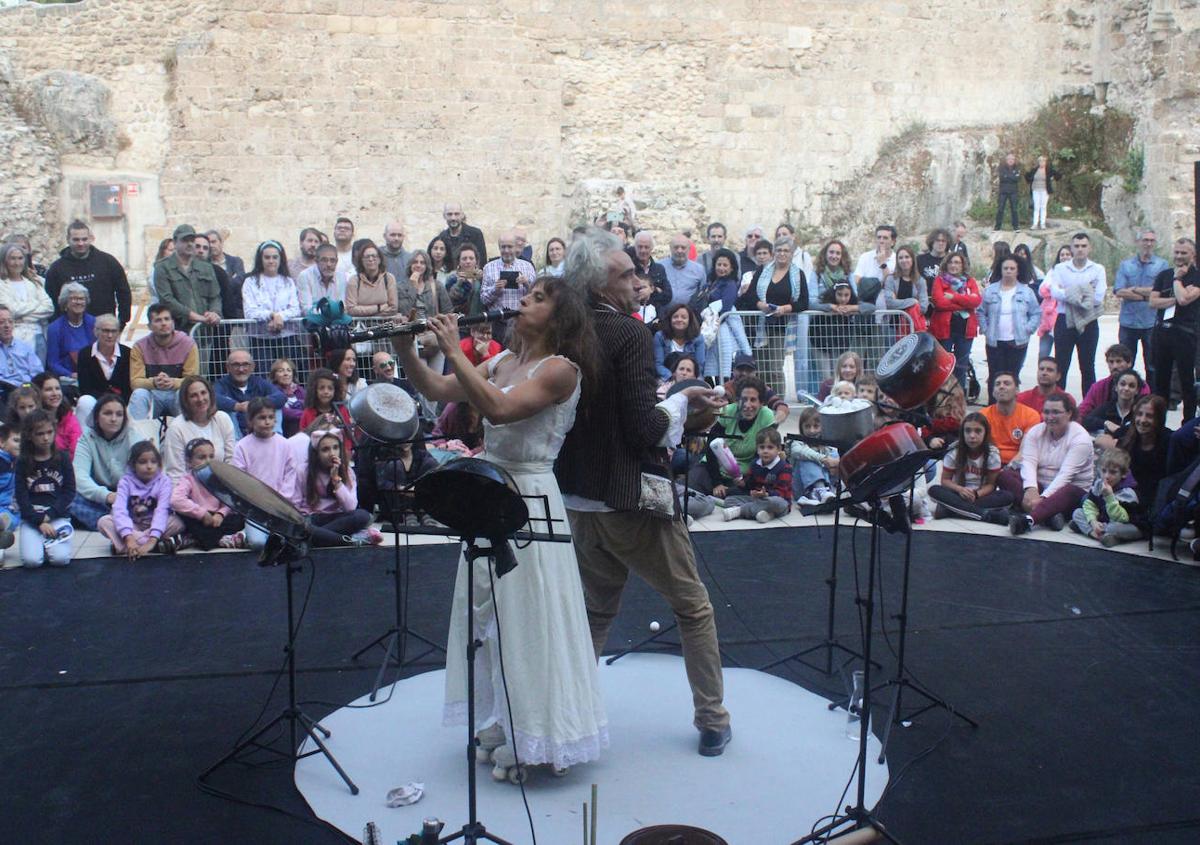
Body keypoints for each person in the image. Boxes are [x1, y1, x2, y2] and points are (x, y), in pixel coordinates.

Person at [393, 273, 608, 778]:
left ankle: (538, 734)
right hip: (489, 492)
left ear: (559, 317)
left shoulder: (561, 370)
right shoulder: (502, 361)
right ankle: (499, 720)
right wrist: (408, 351)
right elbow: (438, 387)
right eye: (527, 295)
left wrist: (454, 347)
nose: (523, 303)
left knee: (529, 618)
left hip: (530, 496)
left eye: (536, 299)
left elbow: (499, 408)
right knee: (485, 614)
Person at [554, 229, 731, 756]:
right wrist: (681, 404)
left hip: (578, 498)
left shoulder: (562, 329)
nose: (639, 281)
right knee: (693, 606)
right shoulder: (629, 334)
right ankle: (713, 717)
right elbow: (643, 431)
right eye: (626, 274)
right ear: (600, 284)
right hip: (628, 498)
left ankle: (567, 717)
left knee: (596, 612)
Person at [999, 392, 1093, 534]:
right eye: (1046, 412)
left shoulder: (1081, 439)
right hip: (1040, 487)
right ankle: (1050, 516)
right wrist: (1031, 489)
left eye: (1056, 412)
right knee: (1004, 476)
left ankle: (1028, 520)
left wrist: (1042, 498)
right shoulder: (1035, 432)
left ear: (1069, 413)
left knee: (1070, 490)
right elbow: (1029, 463)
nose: (1050, 417)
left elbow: (1065, 476)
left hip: (1068, 492)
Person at [69, 394, 145, 531]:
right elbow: (79, 477)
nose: (114, 419)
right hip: (100, 496)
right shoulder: (87, 438)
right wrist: (107, 496)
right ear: (97, 417)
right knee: (69, 496)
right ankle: (118, 522)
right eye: (108, 413)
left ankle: (109, 523)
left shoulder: (134, 437)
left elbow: (143, 477)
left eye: (119, 414)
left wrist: (122, 496)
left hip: (128, 495)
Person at [231, 398, 299, 552]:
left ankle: (247, 534)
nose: (267, 422)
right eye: (262, 418)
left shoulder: (284, 445)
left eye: (270, 417)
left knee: (289, 541)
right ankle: (246, 533)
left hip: (281, 507)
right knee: (258, 543)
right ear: (250, 420)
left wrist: (280, 501)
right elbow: (239, 479)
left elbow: (290, 475)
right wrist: (258, 502)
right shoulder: (242, 446)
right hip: (255, 509)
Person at [96, 441, 187, 556]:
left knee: (178, 522)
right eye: (143, 462)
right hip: (133, 525)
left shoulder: (164, 481)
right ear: (133, 465)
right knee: (104, 521)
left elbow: (162, 511)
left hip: (156, 525)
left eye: (153, 462)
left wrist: (152, 540)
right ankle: (154, 547)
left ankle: (124, 547)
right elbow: (119, 510)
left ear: (159, 464)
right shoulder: (125, 482)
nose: (149, 466)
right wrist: (128, 537)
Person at [291, 427, 378, 546]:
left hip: (337, 518)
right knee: (302, 527)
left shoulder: (347, 471)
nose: (332, 453)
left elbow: (351, 507)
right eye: (325, 449)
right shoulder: (303, 471)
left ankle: (314, 538)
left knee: (363, 516)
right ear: (316, 453)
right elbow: (295, 504)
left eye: (335, 448)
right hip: (312, 518)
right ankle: (350, 541)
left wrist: (336, 480)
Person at [42, 219, 132, 328]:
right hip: (71, 329)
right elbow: (51, 299)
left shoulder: (108, 262)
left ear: (90, 238)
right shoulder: (57, 268)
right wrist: (57, 325)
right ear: (68, 239)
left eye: (84, 239)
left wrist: (122, 320)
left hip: (104, 327)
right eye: (76, 240)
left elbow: (123, 292)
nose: (81, 243)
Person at [694, 376, 775, 495]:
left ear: (761, 403)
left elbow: (762, 457)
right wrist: (717, 483)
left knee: (753, 490)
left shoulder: (766, 416)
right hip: (714, 467)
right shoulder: (727, 411)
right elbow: (711, 450)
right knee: (693, 487)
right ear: (737, 400)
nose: (748, 405)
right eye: (744, 399)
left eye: (753, 400)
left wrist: (745, 480)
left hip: (744, 474)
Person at [14, 409, 75, 567]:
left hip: (57, 516)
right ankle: (37, 541)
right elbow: (21, 496)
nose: (46, 437)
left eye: (49, 432)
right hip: (32, 518)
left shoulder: (63, 458)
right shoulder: (23, 461)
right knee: (32, 561)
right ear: (29, 435)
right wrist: (39, 521)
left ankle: (46, 544)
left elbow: (69, 491)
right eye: (40, 434)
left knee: (61, 560)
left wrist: (50, 515)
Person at [750, 236, 809, 396]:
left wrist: (785, 309)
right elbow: (750, 295)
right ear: (774, 252)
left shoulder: (798, 274)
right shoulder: (762, 271)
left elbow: (804, 302)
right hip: (761, 326)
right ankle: (761, 404)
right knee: (762, 369)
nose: (782, 254)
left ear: (791, 254)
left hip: (781, 326)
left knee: (775, 369)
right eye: (779, 250)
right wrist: (760, 305)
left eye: (786, 251)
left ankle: (778, 403)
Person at [1049, 232, 1106, 395]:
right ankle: (1057, 404)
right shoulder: (1060, 268)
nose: (1080, 249)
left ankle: (1089, 407)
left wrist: (1069, 292)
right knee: (1061, 364)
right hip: (1064, 319)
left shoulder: (1097, 269)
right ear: (1071, 248)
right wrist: (1085, 291)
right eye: (1077, 246)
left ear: (1090, 248)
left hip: (1088, 320)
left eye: (1083, 246)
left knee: (1088, 365)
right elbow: (1055, 292)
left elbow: (1098, 298)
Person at [1149, 238, 1200, 422]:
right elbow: (1153, 302)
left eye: (1183, 253)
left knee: (1187, 381)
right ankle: (1158, 424)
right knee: (1160, 381)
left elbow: (1185, 300)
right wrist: (1175, 299)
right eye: (1177, 252)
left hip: (1184, 333)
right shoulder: (1164, 275)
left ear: (1192, 254)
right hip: (1162, 332)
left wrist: (1178, 279)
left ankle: (1188, 423)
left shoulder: (1196, 276)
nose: (1179, 256)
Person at [928, 412, 1013, 521]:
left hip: (980, 496)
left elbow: (991, 485)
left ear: (985, 433)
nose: (972, 436)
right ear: (962, 433)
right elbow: (945, 481)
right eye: (968, 431)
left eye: (978, 431)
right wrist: (960, 490)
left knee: (1007, 496)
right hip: (958, 494)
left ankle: (952, 510)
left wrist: (976, 494)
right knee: (934, 490)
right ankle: (986, 515)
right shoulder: (954, 451)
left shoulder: (992, 453)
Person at [978, 256, 1041, 403]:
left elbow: (1036, 313)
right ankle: (992, 408)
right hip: (995, 341)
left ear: (1017, 271)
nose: (1008, 271)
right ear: (1001, 270)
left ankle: (1011, 408)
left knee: (1013, 376)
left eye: (1012, 269)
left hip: (1018, 341)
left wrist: (1029, 329)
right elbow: (981, 311)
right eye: (1005, 268)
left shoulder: (1026, 292)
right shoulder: (990, 290)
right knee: (995, 376)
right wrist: (985, 329)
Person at [169, 438, 246, 550]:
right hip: (199, 518)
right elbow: (175, 500)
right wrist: (202, 514)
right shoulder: (188, 479)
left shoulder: (217, 478)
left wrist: (221, 514)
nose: (208, 461)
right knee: (186, 521)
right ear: (189, 461)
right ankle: (218, 539)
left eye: (211, 456)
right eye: (202, 457)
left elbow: (228, 499)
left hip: (217, 518)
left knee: (239, 519)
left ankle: (193, 539)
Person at [128, 304, 199, 421]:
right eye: (158, 320)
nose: (164, 323)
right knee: (139, 394)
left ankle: (190, 435)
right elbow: (135, 382)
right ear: (149, 326)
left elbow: (192, 379)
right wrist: (155, 382)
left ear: (173, 323)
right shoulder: (139, 347)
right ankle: (138, 436)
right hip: (152, 394)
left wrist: (172, 382)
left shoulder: (188, 344)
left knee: (186, 392)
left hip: (176, 393)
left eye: (167, 319)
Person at [162, 376, 237, 480]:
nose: (200, 399)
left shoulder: (223, 419)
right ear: (186, 400)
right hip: (190, 489)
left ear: (210, 394)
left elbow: (231, 461)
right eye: (193, 396)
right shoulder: (176, 428)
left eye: (203, 393)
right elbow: (175, 474)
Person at [241, 240, 302, 366]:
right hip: (260, 339)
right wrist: (271, 315)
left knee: (287, 375)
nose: (271, 261)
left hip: (287, 337)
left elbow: (295, 309)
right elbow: (250, 311)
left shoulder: (288, 282)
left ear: (281, 259)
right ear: (260, 259)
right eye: (267, 257)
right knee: (264, 376)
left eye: (275, 257)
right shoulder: (250, 282)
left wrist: (280, 317)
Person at [1113, 229, 1167, 371]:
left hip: (1151, 323)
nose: (1148, 244)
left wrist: (1134, 289)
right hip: (1128, 323)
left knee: (1152, 366)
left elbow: (1161, 291)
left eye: (1151, 240)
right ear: (1138, 242)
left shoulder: (1162, 265)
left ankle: (1152, 393)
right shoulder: (1126, 265)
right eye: (1145, 240)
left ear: (1155, 243)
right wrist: (1148, 294)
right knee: (1124, 365)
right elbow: (1119, 291)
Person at [153, 224, 222, 333]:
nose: (190, 244)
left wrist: (214, 313)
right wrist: (195, 316)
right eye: (185, 240)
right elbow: (167, 300)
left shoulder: (206, 267)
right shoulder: (162, 268)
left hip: (204, 331)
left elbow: (215, 296)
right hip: (177, 331)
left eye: (192, 240)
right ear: (175, 242)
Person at [930, 252, 982, 390]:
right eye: (951, 262)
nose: (954, 265)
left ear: (963, 265)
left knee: (961, 365)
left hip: (965, 330)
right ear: (946, 264)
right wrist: (965, 302)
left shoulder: (970, 281)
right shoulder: (940, 281)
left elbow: (976, 301)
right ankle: (941, 394)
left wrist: (953, 297)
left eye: (957, 262)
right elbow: (939, 302)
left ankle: (958, 396)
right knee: (943, 365)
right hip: (944, 330)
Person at [1069, 449, 1141, 547]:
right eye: (1104, 471)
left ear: (1124, 474)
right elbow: (1090, 504)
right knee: (1077, 513)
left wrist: (1109, 497)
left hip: (1127, 524)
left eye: (1113, 472)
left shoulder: (1128, 492)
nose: (1106, 476)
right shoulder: (1099, 484)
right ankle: (1097, 534)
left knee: (1112, 528)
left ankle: (1089, 530)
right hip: (1105, 520)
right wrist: (1093, 521)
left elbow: (1122, 518)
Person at [719, 428, 792, 523]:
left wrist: (766, 494)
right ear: (757, 449)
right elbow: (750, 483)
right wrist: (742, 483)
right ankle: (767, 514)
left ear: (778, 449)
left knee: (775, 502)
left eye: (770, 447)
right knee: (729, 500)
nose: (765, 451)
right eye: (762, 447)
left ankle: (740, 511)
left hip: (778, 500)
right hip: (756, 499)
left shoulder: (784, 467)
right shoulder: (755, 464)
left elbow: (782, 493)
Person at [0, 242, 53, 362]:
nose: (17, 263)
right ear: (5, 261)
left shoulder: (33, 283)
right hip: (13, 336)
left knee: (37, 376)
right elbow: (11, 310)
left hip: (37, 335)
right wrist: (35, 304)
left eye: (20, 258)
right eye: (12, 258)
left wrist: (22, 317)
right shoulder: (1, 285)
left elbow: (48, 307)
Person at [1118, 395, 1171, 516]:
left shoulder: (1168, 441)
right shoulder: (1128, 436)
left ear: (1159, 419)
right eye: (1139, 414)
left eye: (1149, 416)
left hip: (1150, 503)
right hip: (1124, 494)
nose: (1142, 420)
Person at [480, 232, 538, 340]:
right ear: (499, 248)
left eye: (510, 246)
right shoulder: (488, 267)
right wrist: (495, 289)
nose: (506, 250)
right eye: (503, 247)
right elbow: (483, 299)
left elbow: (536, 297)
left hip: (521, 320)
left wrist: (526, 283)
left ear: (516, 247)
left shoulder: (528, 266)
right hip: (497, 322)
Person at [214, 349, 285, 437]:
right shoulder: (221, 384)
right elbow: (213, 398)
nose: (241, 369)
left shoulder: (259, 382)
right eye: (236, 365)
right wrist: (237, 406)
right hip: (236, 434)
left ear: (252, 367)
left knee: (275, 407)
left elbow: (281, 397)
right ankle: (235, 446)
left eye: (245, 364)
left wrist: (256, 404)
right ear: (228, 367)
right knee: (225, 411)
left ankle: (274, 440)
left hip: (260, 431)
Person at [76, 314, 130, 427]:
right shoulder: (85, 354)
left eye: (114, 331)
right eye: (105, 331)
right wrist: (105, 404)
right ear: (96, 332)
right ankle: (85, 439)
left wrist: (115, 404)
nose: (110, 335)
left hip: (123, 402)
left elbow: (128, 387)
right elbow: (85, 388)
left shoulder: (128, 354)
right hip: (95, 403)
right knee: (84, 400)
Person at [980, 372, 1041, 465]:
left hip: (1018, 465)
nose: (1001, 387)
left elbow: (1025, 452)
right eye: (997, 384)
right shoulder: (983, 415)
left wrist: (1007, 470)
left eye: (1007, 383)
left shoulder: (1031, 415)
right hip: (990, 464)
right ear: (993, 392)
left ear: (1017, 390)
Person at [45, 283, 94, 381]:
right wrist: (70, 374)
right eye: (74, 299)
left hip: (92, 374)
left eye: (81, 299)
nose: (78, 302)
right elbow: (53, 362)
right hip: (67, 378)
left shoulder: (94, 323)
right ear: (65, 303)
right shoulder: (54, 328)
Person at [789, 406, 838, 506]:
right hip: (801, 489)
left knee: (834, 455)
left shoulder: (827, 445)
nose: (812, 431)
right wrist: (823, 459)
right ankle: (819, 491)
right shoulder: (797, 442)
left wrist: (835, 464)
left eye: (816, 426)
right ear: (801, 428)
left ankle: (823, 494)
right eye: (807, 426)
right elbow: (797, 451)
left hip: (829, 489)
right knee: (807, 456)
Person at [298, 367, 354, 450]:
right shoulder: (308, 412)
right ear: (314, 390)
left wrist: (347, 454)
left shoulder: (341, 410)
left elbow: (348, 436)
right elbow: (303, 437)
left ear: (335, 390)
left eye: (330, 388)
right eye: (321, 388)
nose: (326, 392)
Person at [1082, 369, 1144, 440]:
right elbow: (1086, 421)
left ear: (1137, 390)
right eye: (1122, 384)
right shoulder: (1107, 407)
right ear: (1116, 387)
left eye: (1131, 386)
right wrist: (1105, 423)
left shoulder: (1140, 410)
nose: (1126, 388)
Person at [882, 245, 929, 336]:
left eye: (907, 257)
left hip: (914, 328)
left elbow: (923, 307)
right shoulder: (891, 279)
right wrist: (913, 301)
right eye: (900, 258)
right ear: (897, 260)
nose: (904, 260)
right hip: (894, 327)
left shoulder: (920, 281)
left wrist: (898, 303)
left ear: (912, 259)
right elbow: (889, 303)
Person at [344, 239, 398, 318]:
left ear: (379, 259)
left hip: (384, 325)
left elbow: (393, 308)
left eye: (374, 256)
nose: (371, 259)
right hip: (359, 326)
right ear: (361, 260)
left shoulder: (389, 279)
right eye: (367, 257)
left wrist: (368, 313)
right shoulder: (354, 281)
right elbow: (351, 309)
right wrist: (379, 308)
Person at [32, 373, 80, 458]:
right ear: (37, 394)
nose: (55, 393)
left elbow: (77, 449)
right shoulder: (31, 420)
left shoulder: (68, 417)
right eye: (48, 390)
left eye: (57, 388)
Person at [653, 304, 705, 381]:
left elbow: (700, 365)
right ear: (670, 319)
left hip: (691, 376)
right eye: (675, 317)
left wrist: (686, 376)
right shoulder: (660, 336)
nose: (679, 319)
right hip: (666, 377)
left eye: (684, 317)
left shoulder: (698, 338)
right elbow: (658, 364)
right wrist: (672, 376)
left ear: (689, 320)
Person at [1037, 245, 1072, 359]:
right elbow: (1042, 290)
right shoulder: (1053, 271)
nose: (1065, 257)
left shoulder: (1076, 273)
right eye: (1062, 255)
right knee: (1043, 353)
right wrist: (1055, 289)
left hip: (1065, 318)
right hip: (1048, 318)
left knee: (1061, 354)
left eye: (1068, 254)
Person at [0, 305, 42, 396]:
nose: (7, 325)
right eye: (1, 322)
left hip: (27, 390)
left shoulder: (24, 348)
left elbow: (38, 374)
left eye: (10, 322)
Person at [659, 234, 708, 308]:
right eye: (676, 247)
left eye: (683, 247)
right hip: (663, 315)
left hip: (688, 316)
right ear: (670, 248)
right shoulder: (659, 267)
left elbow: (702, 293)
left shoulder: (699, 270)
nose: (679, 250)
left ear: (689, 249)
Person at [296, 243, 346, 313]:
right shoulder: (305, 276)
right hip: (313, 321)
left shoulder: (341, 276)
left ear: (337, 261)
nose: (329, 264)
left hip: (336, 321)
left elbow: (342, 305)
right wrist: (328, 313)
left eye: (332, 260)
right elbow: (306, 308)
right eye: (324, 260)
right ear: (316, 261)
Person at [627, 231, 672, 309]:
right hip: (634, 315)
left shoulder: (659, 269)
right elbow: (626, 294)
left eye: (646, 247)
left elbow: (668, 296)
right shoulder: (629, 269)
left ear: (652, 248)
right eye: (640, 247)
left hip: (656, 317)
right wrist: (658, 290)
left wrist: (651, 291)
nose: (643, 250)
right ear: (635, 247)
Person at [444, 243, 484, 318]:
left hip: (478, 321)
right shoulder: (452, 278)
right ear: (459, 261)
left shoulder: (481, 278)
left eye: (471, 258)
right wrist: (459, 283)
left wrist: (482, 279)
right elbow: (450, 300)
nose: (468, 261)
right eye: (464, 258)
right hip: (459, 321)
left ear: (476, 261)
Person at [271, 357, 305, 437]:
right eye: (281, 371)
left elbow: (309, 405)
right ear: (274, 375)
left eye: (289, 370)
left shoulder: (300, 390)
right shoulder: (273, 391)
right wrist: (304, 414)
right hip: (285, 430)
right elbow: (284, 413)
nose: (286, 374)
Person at [1024, 155, 1061, 230]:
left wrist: (1052, 178)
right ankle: (1035, 224)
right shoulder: (1035, 170)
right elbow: (1027, 176)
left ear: (1045, 162)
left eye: (1043, 161)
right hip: (1035, 190)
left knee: (1043, 207)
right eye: (1040, 161)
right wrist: (1030, 180)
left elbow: (1058, 175)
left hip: (1044, 190)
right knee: (1036, 207)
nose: (1042, 162)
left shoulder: (1049, 170)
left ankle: (1042, 223)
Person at [0, 422, 19, 568]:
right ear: (2, 442)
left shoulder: (18, 461)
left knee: (10, 520)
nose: (20, 445)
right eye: (16, 440)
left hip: (10, 508)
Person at [995, 152, 1021, 229]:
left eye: (1012, 159)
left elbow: (1017, 179)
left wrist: (1007, 176)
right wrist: (1011, 176)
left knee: (1014, 209)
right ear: (1006, 160)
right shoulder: (1001, 168)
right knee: (1000, 209)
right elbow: (1002, 178)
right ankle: (997, 226)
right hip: (1003, 192)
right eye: (1009, 159)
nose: (1010, 160)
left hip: (1013, 192)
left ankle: (1016, 227)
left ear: (1014, 160)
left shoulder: (1017, 168)